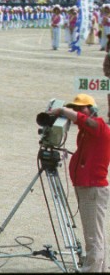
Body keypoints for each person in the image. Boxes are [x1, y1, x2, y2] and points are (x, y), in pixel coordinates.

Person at [49, 94, 110, 272]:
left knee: (93, 238)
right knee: (95, 235)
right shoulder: (86, 131)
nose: (76, 112)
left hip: (93, 188)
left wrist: (62, 111)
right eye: (74, 108)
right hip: (87, 187)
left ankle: (92, 270)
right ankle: (100, 268)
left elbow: (86, 121)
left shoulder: (99, 126)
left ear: (91, 109)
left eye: (80, 108)